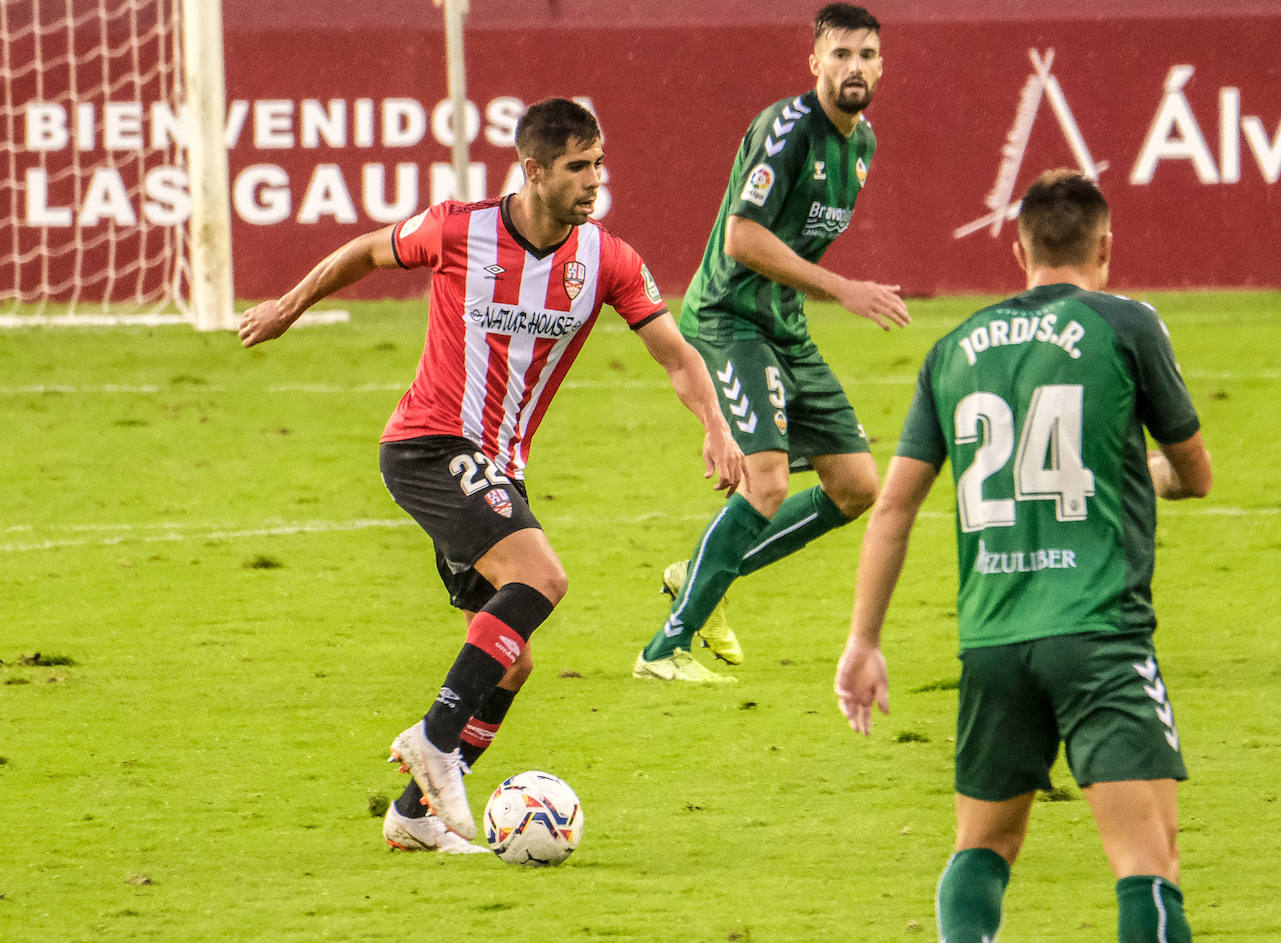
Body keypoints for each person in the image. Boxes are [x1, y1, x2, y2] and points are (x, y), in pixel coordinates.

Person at [239, 98, 745, 853]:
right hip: (428, 443)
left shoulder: (605, 259)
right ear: (533, 169)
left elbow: (675, 352)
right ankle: (436, 741)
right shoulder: (459, 228)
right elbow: (368, 251)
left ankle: (413, 815)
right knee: (543, 579)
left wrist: (714, 423)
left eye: (600, 164)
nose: (594, 181)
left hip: (498, 466)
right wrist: (290, 305)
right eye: (578, 167)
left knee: (512, 661)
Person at [835, 170, 1213, 941]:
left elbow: (894, 507)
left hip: (994, 642)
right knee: (1150, 860)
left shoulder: (954, 348)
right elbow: (1194, 471)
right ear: (1105, 245)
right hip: (1100, 635)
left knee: (983, 847)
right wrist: (1151, 472)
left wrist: (863, 640)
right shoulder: (1128, 324)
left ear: (1019, 250)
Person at [633, 3, 910, 683]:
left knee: (855, 485)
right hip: (730, 318)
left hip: (782, 325)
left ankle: (699, 574)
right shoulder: (786, 130)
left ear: (881, 65)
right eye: (840, 54)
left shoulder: (862, 145)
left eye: (866, 55)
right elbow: (742, 238)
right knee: (768, 482)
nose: (854, 67)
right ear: (815, 62)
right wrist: (843, 288)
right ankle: (663, 649)